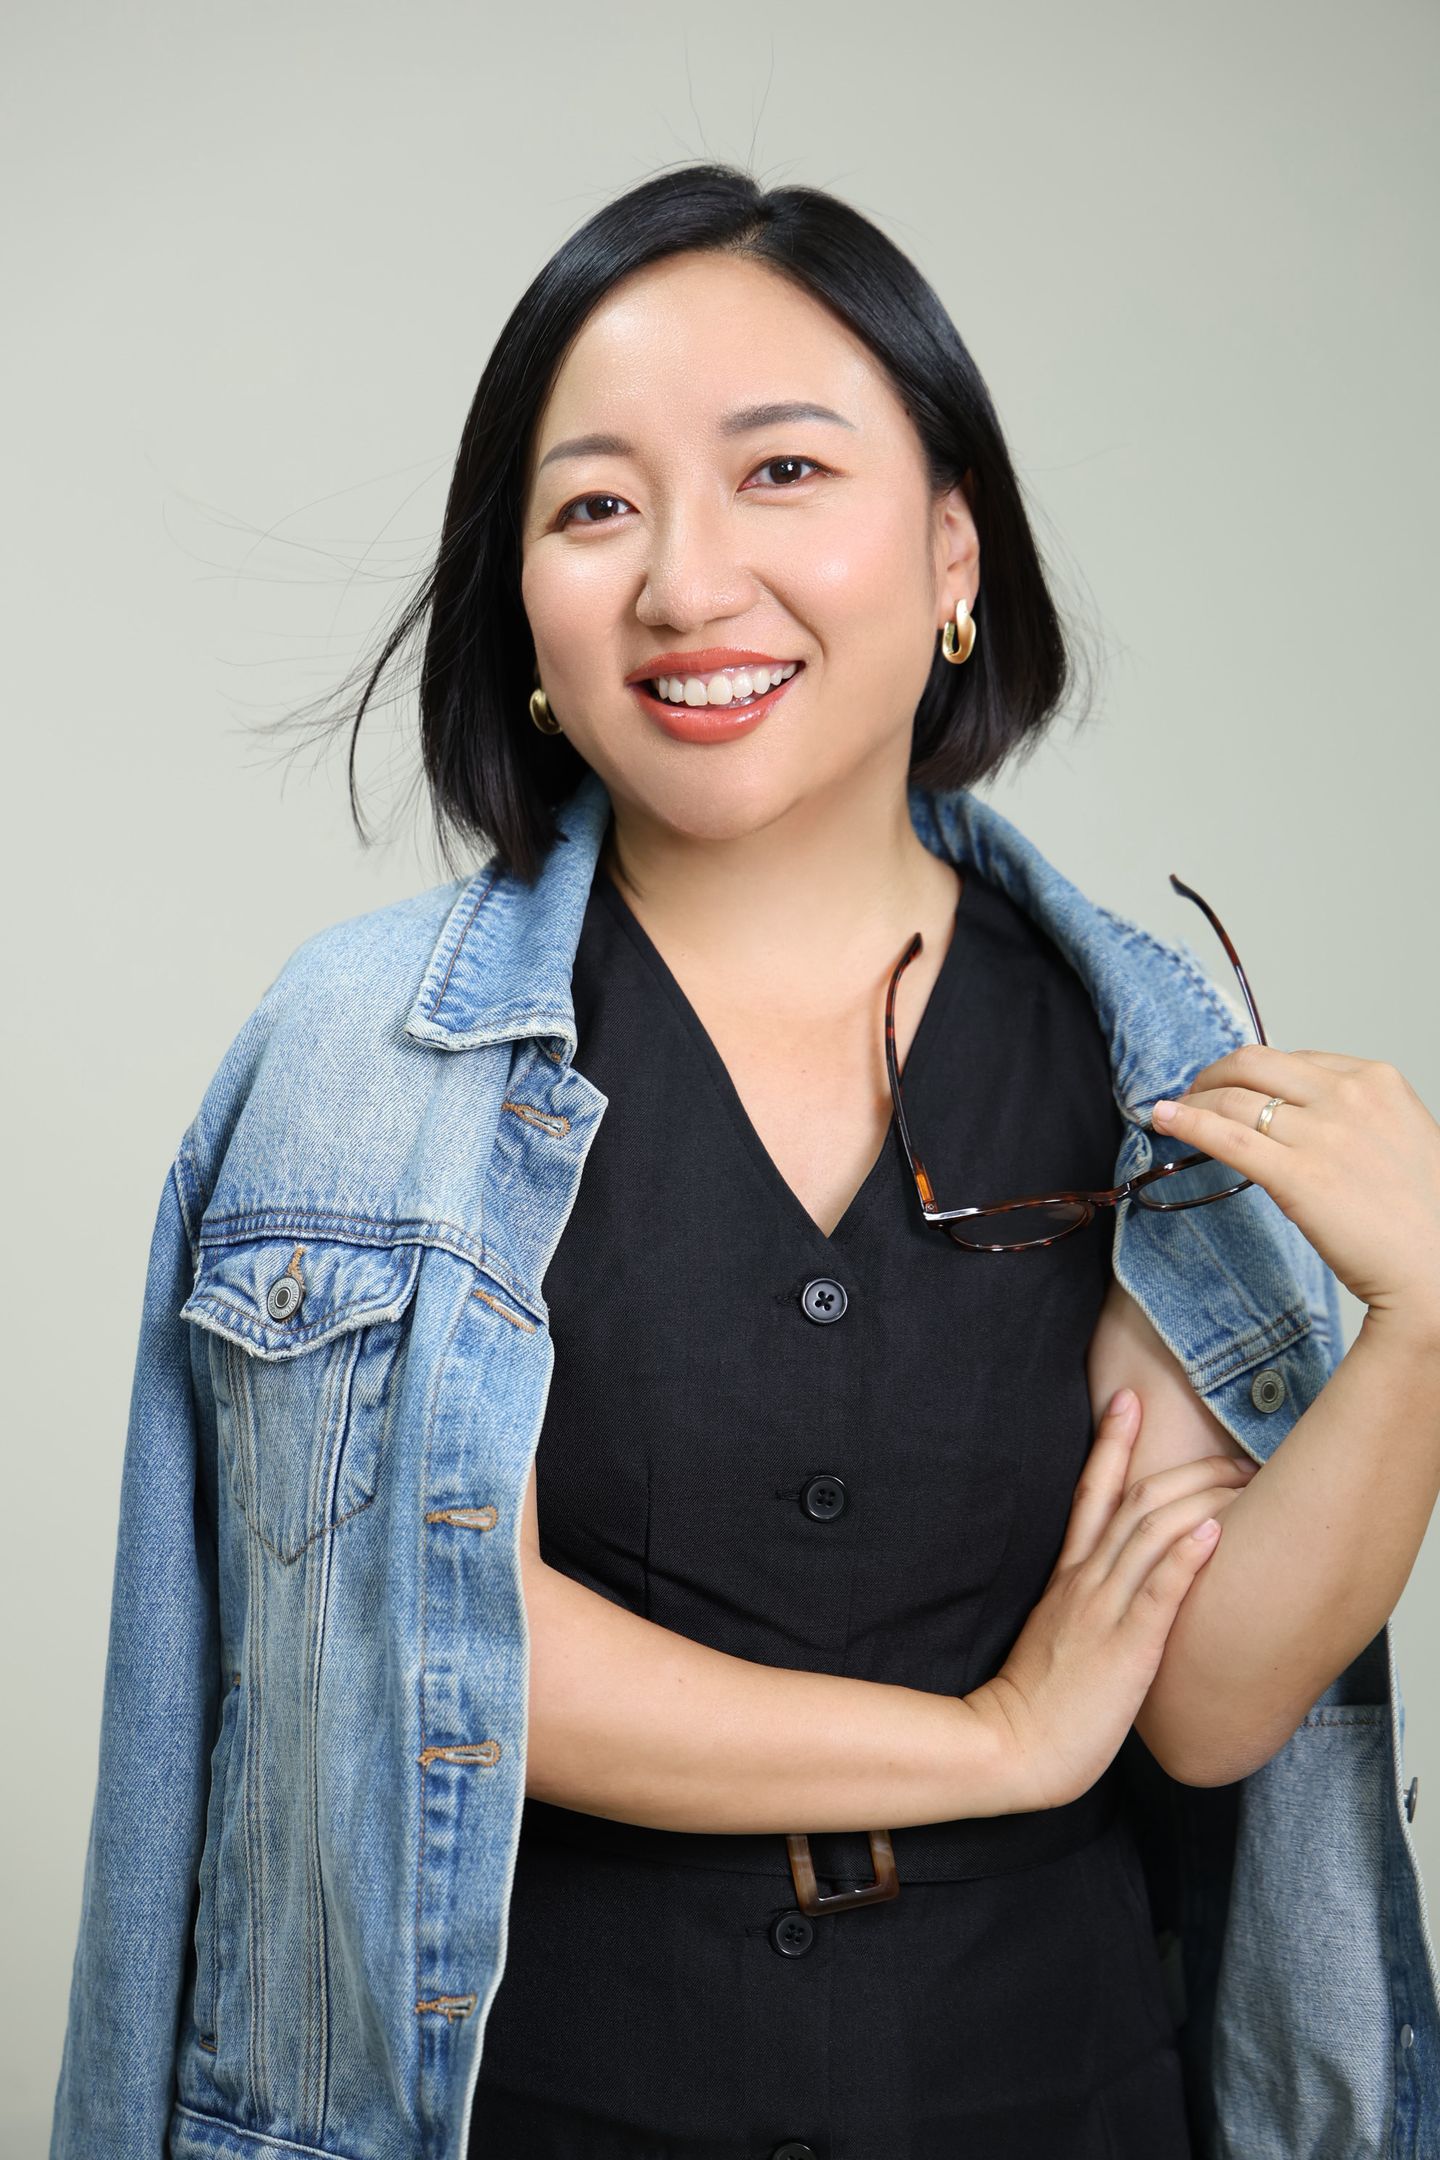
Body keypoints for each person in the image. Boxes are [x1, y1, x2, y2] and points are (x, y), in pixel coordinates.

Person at [50, 163, 1440, 2160]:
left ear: (955, 547)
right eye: (595, 507)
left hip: (1053, 2099)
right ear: (523, 609)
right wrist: (989, 1742)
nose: (687, 584)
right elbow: (441, 1648)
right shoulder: (362, 1063)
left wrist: (1421, 1335)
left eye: (783, 471)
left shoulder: (1133, 1052)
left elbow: (1207, 1701)